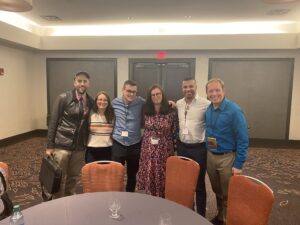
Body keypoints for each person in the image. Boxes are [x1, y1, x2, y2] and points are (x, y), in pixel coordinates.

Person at [205, 78, 249, 225]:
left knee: (228, 193)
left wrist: (239, 164)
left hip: (227, 158)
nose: (214, 93)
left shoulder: (234, 110)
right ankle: (220, 216)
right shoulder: (209, 109)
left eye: (217, 90)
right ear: (207, 93)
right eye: (211, 91)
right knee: (217, 190)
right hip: (211, 155)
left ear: (223, 91)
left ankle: (228, 220)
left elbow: (243, 139)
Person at [46, 71, 94, 198]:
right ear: (74, 82)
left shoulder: (90, 101)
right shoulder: (64, 97)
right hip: (62, 144)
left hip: (79, 147)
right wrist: (50, 145)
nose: (82, 84)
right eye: (79, 81)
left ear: (89, 84)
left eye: (85, 81)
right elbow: (53, 121)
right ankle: (58, 202)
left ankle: (69, 198)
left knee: (73, 176)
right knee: (58, 176)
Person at [176, 78, 210, 216]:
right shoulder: (178, 103)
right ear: (182, 88)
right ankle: (187, 211)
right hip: (182, 147)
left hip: (199, 149)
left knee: (199, 184)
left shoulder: (206, 104)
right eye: (185, 87)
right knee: (185, 183)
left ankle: (201, 216)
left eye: (191, 86)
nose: (188, 89)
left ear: (196, 86)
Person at [137, 84, 178, 197]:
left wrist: (175, 149)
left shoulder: (171, 110)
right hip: (148, 148)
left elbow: (174, 130)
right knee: (150, 171)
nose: (155, 96)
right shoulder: (145, 110)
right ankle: (151, 196)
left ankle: (163, 197)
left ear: (162, 95)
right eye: (153, 95)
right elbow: (142, 127)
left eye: (158, 94)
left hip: (165, 148)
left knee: (163, 173)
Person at [111, 80, 144, 192]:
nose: (131, 94)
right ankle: (116, 197)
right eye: (128, 91)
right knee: (116, 173)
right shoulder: (114, 103)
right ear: (123, 90)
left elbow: (156, 102)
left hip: (134, 144)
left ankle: (129, 196)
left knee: (132, 174)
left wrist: (171, 103)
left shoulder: (141, 102)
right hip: (118, 142)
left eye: (134, 92)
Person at [86, 91, 114, 163]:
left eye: (105, 100)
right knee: (92, 173)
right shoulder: (90, 114)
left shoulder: (112, 116)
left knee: (105, 173)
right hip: (91, 149)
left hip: (107, 149)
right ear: (96, 101)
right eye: (100, 99)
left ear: (108, 102)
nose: (102, 102)